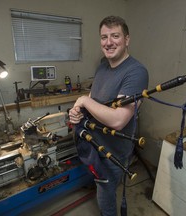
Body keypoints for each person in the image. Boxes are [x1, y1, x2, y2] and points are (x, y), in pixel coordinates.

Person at [69, 15, 149, 216]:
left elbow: (119, 120)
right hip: (94, 144)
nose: (109, 42)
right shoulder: (103, 65)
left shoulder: (136, 72)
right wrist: (78, 110)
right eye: (104, 37)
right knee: (100, 187)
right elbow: (93, 96)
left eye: (115, 36)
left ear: (127, 39)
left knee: (105, 199)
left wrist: (84, 101)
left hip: (113, 153)